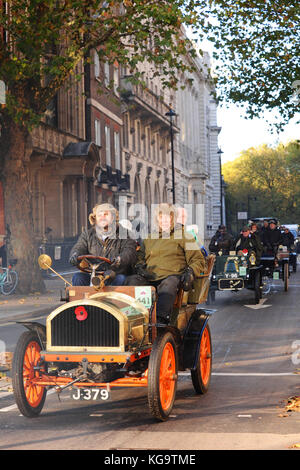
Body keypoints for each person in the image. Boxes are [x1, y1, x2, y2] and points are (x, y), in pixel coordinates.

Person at [125, 203, 206, 324]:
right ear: (157, 219)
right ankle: (134, 318)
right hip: (150, 277)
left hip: (172, 276)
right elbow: (140, 257)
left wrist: (190, 272)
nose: (164, 221)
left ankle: (160, 320)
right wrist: (140, 266)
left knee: (169, 284)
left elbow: (198, 260)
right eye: (161, 217)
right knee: (132, 281)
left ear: (173, 219)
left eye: (168, 217)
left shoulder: (185, 236)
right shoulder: (150, 238)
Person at [69, 203, 138, 286]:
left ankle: (113, 299)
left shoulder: (124, 233)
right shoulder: (88, 235)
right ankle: (83, 298)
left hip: (115, 275)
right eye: (99, 215)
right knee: (78, 277)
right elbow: (79, 247)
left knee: (121, 279)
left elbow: (129, 251)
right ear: (95, 219)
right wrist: (75, 255)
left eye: (106, 214)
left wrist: (119, 259)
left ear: (113, 217)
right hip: (94, 275)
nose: (102, 218)